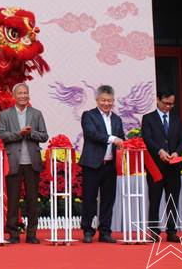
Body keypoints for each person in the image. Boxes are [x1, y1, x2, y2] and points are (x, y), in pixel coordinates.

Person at [0, 83, 48, 244]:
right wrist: (19, 134)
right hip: (13, 161)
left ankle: (32, 234)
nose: (23, 96)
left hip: (32, 162)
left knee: (32, 200)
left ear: (28, 95)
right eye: (19, 93)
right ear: (13, 96)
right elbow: (1, 135)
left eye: (25, 93)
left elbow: (44, 136)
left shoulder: (36, 114)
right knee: (13, 200)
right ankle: (13, 233)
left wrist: (30, 133)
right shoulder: (5, 114)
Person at [79, 85, 125, 244]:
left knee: (108, 201)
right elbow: (91, 134)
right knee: (89, 199)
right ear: (97, 100)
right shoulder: (88, 115)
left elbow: (121, 137)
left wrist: (125, 144)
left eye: (109, 101)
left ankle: (105, 231)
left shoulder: (117, 119)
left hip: (110, 165)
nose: (106, 103)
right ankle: (87, 230)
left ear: (113, 101)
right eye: (103, 100)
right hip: (92, 164)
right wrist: (113, 139)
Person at [141, 89, 182, 242]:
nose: (168, 107)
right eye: (165, 103)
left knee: (172, 200)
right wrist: (159, 151)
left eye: (171, 104)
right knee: (154, 199)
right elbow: (147, 139)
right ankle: (154, 231)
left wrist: (177, 152)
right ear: (158, 100)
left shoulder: (176, 119)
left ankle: (172, 231)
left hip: (173, 166)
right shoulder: (148, 118)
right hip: (156, 166)